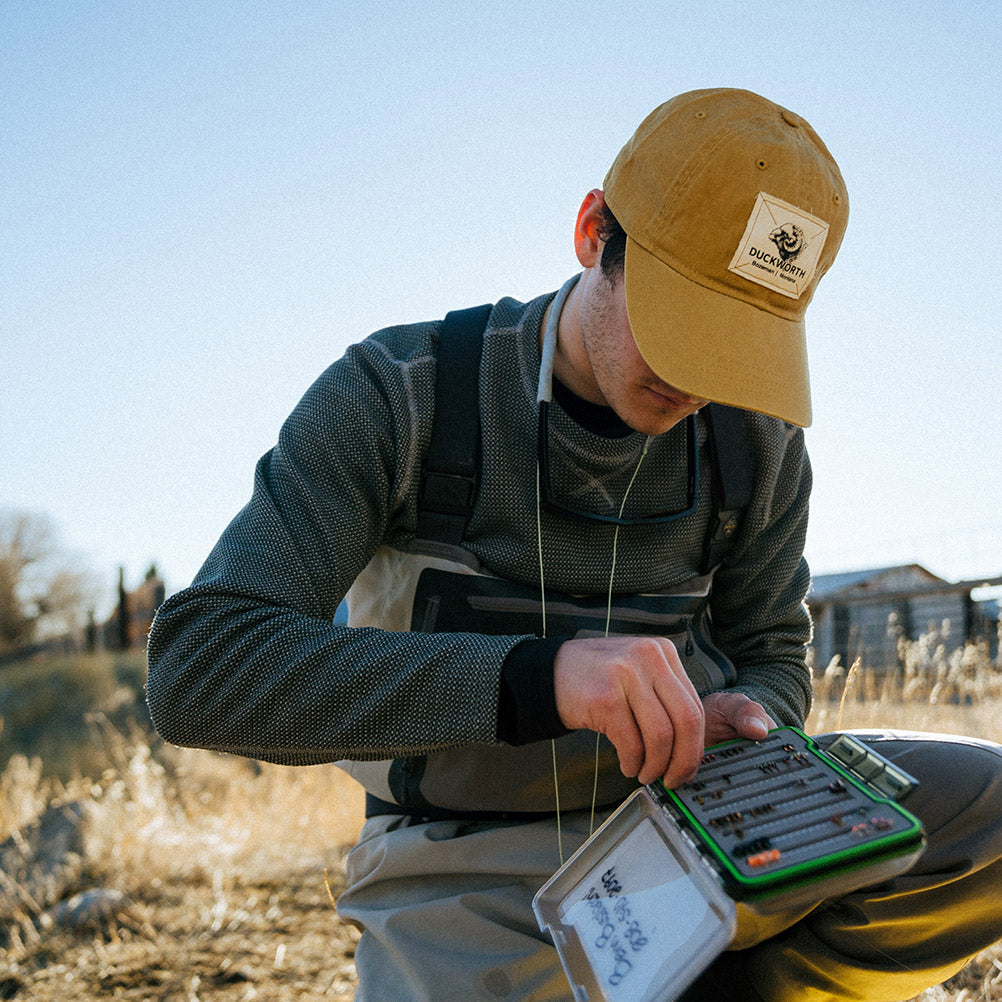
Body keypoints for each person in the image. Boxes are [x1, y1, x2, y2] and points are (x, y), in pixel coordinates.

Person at [146, 88, 1002, 1001]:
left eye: (737, 348)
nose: (698, 384)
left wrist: (750, 720)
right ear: (595, 234)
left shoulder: (762, 444)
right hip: (463, 868)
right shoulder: (398, 395)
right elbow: (198, 671)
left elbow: (774, 657)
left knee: (987, 808)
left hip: (698, 833)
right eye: (682, 326)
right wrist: (540, 678)